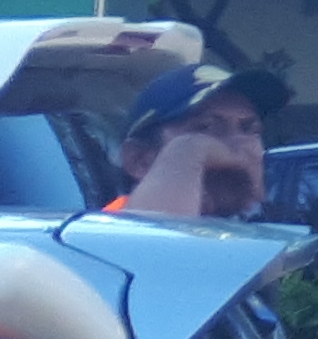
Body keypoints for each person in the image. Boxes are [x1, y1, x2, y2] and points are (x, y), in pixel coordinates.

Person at [109, 62, 288, 220]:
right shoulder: (103, 237)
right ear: (139, 160)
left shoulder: (263, 235)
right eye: (206, 127)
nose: (238, 142)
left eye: (249, 129)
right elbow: (157, 247)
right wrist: (190, 149)